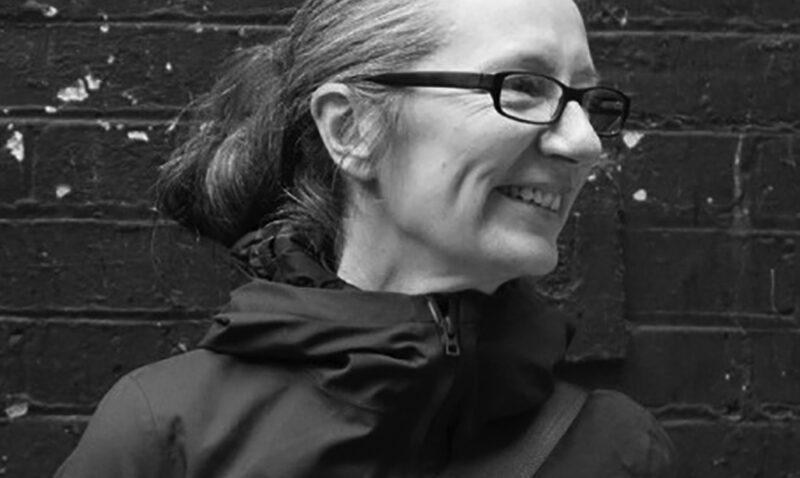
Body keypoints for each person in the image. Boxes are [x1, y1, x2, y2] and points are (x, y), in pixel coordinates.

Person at [55, 0, 678, 476]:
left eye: (585, 100)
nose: (586, 143)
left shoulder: (616, 449)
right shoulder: (167, 433)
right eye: (522, 86)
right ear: (352, 128)